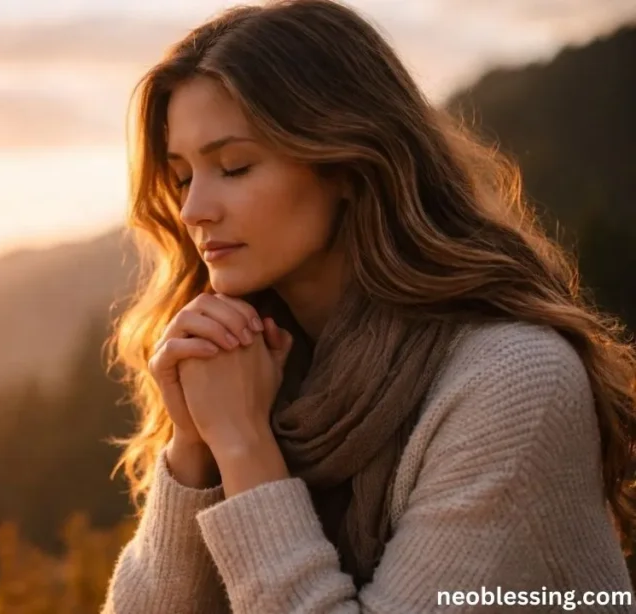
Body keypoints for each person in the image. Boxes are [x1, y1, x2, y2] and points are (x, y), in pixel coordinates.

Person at [100, 0, 636, 612]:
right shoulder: (249, 366)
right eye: (181, 178)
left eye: (234, 166)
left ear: (349, 167)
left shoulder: (511, 381)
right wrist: (194, 449)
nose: (195, 210)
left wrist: (246, 447)